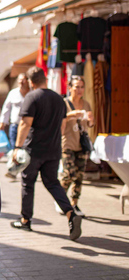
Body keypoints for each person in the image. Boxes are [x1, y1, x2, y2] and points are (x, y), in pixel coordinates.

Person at [10, 66, 82, 241]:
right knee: (52, 183)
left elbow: (25, 124)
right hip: (53, 149)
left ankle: (26, 220)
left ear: (31, 81)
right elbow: (63, 127)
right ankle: (70, 213)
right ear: (45, 79)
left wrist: (18, 147)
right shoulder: (59, 99)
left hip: (34, 149)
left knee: (28, 183)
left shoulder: (31, 97)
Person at [58, 76, 94, 217]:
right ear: (70, 88)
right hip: (67, 143)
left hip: (81, 145)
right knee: (69, 173)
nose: (79, 90)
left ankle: (74, 204)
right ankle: (60, 199)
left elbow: (90, 124)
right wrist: (71, 115)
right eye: (76, 87)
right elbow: (59, 122)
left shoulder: (86, 104)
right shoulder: (64, 103)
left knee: (79, 176)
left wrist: (91, 121)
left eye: (81, 87)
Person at [0, 73, 30, 178]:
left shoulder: (31, 94)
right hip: (15, 126)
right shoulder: (13, 93)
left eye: (23, 80)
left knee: (25, 148)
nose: (21, 82)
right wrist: (2, 122)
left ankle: (24, 169)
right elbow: (6, 108)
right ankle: (12, 170)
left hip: (27, 127)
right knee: (14, 148)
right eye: (19, 80)